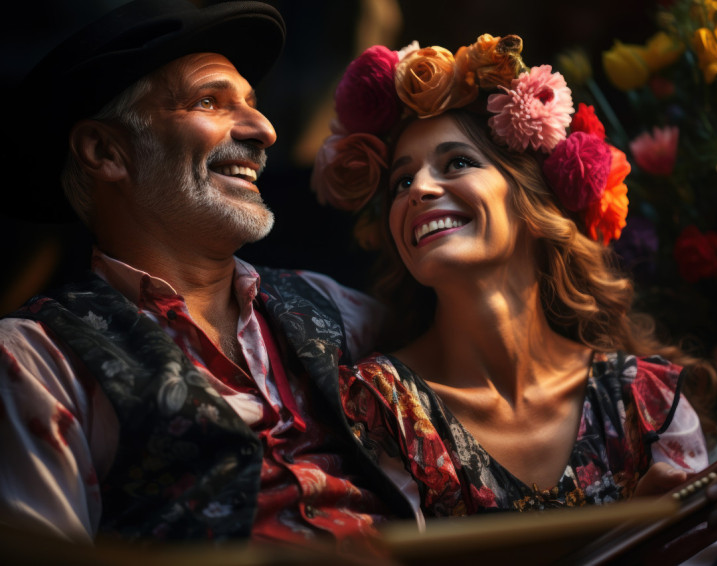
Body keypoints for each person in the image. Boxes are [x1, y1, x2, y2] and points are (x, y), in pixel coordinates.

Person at [311, 34, 717, 562]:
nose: (418, 190)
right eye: (401, 182)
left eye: (456, 164)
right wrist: (624, 538)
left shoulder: (643, 398)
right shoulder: (380, 406)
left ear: (532, 203)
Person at [0, 0, 421, 554]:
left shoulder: (335, 308)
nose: (264, 130)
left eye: (253, 104)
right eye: (209, 101)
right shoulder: (36, 359)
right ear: (105, 150)